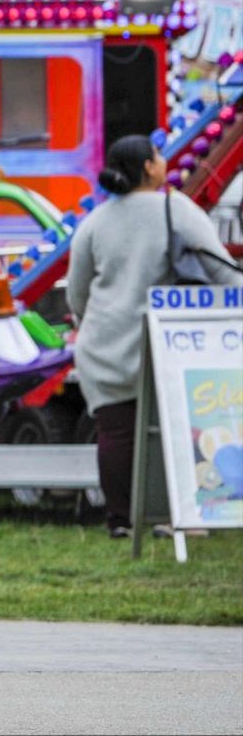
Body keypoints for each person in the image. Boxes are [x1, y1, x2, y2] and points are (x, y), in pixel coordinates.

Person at [67, 135, 242, 538]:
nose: (163, 161)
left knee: (116, 433)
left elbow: (78, 292)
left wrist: (87, 322)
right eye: (159, 155)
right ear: (148, 167)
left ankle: (121, 520)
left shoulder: (95, 221)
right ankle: (178, 516)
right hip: (166, 343)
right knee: (176, 432)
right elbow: (222, 270)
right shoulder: (175, 210)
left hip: (105, 344)